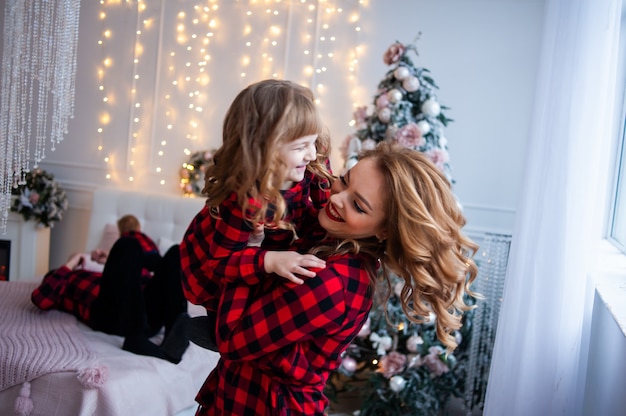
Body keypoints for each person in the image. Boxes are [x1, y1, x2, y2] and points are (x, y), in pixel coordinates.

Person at [191, 141, 479, 415]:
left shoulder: (333, 283)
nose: (337, 198)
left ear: (384, 231)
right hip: (237, 394)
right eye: (345, 179)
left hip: (267, 406)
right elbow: (310, 183)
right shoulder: (330, 235)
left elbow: (231, 340)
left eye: (359, 206)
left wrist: (250, 254)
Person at [180, 79, 333, 350]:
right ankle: (219, 328)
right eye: (301, 147)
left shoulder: (311, 160)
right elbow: (220, 262)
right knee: (236, 293)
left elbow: (327, 204)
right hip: (229, 254)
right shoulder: (242, 199)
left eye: (314, 142)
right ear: (264, 149)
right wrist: (269, 259)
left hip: (279, 237)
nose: (311, 154)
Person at [31, 214, 190, 364]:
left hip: (146, 315)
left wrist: (111, 260)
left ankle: (174, 334)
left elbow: (138, 283)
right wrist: (71, 263)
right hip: (110, 318)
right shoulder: (65, 277)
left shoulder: (100, 272)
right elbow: (41, 300)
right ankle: (135, 339)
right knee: (127, 244)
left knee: (176, 252)